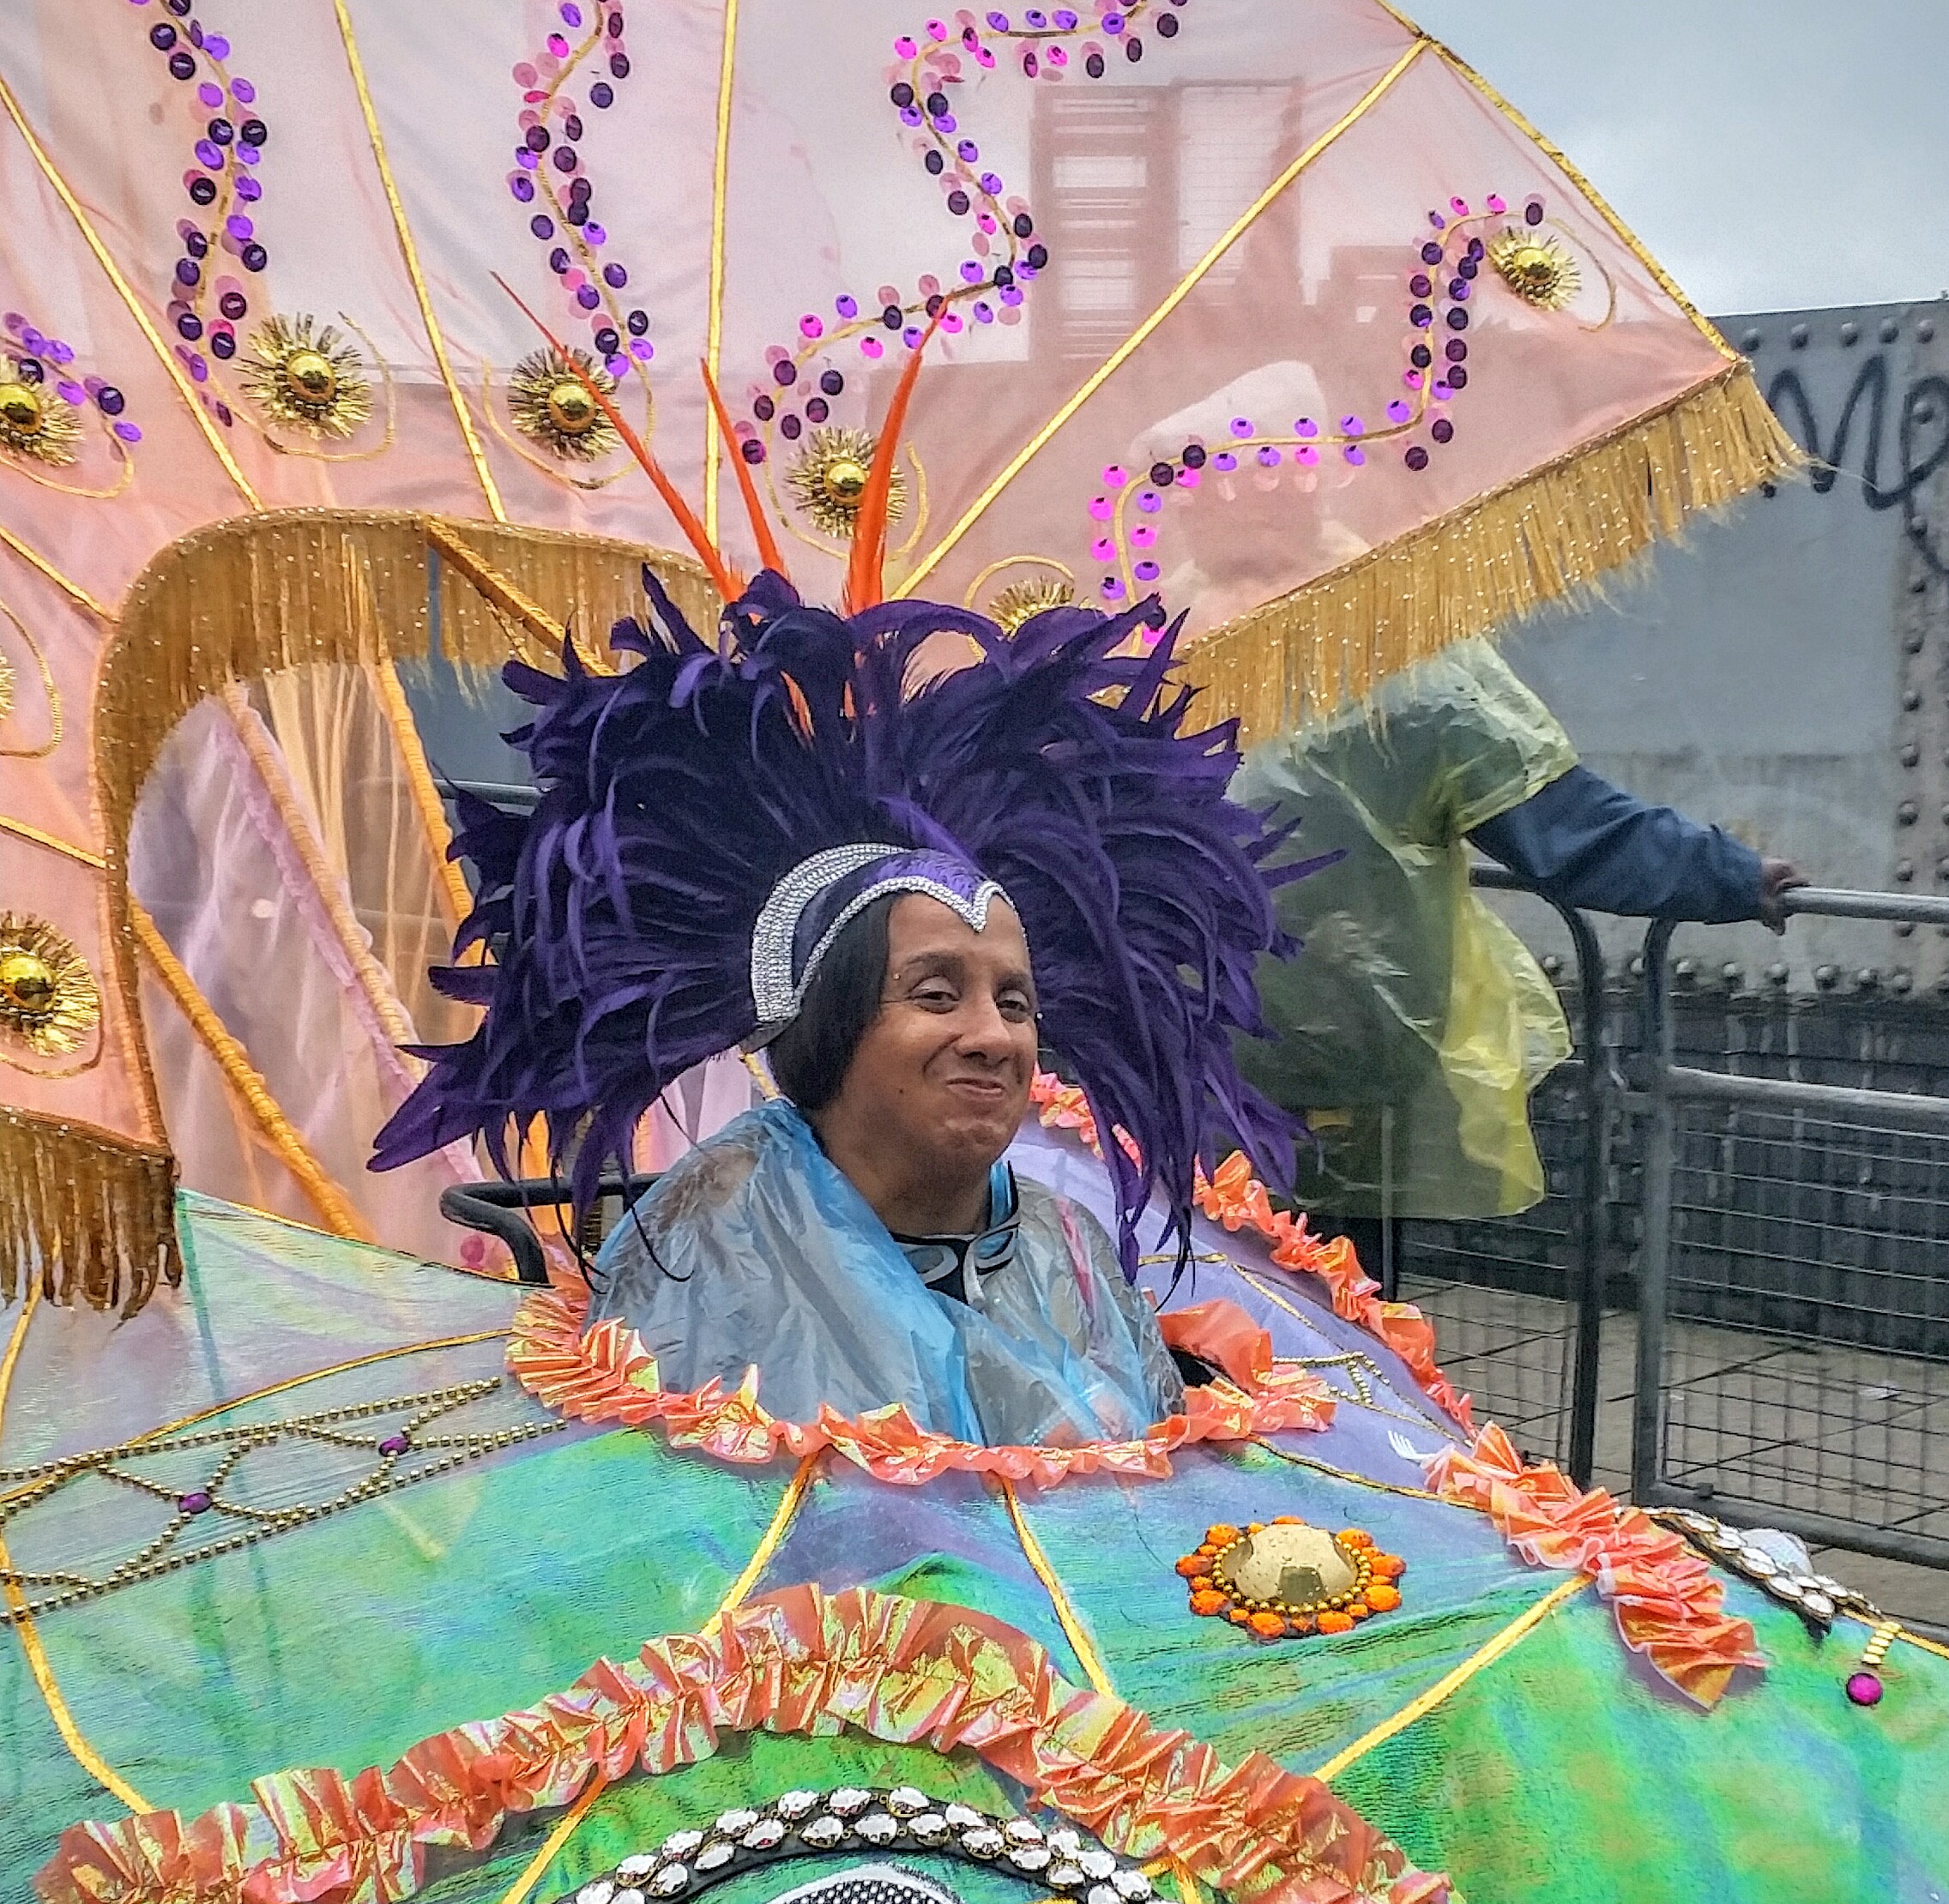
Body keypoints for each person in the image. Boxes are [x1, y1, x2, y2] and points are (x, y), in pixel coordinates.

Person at [374, 561, 1304, 1449]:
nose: (992, 1036)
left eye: (1014, 1002)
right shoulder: (716, 1247)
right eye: (936, 994)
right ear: (828, 1026)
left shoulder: (1071, 1243)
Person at [1234, 631, 1806, 1289]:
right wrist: (1733, 876)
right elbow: (1573, 829)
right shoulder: (1411, 694)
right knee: (1336, 1324)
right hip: (1347, 1063)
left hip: (1172, 1067)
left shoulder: (1173, 666)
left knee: (1184, 1315)